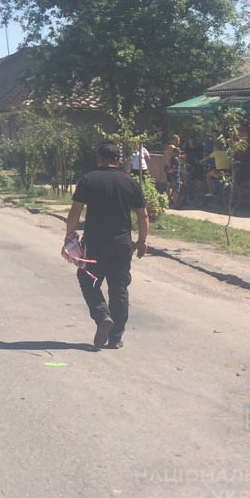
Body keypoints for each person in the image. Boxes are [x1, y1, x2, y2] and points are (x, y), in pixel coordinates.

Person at [63, 141, 148, 350]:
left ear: (98, 159)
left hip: (95, 244)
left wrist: (69, 236)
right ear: (118, 160)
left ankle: (102, 316)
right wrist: (142, 241)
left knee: (88, 280)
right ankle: (115, 337)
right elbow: (143, 215)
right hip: (122, 244)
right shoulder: (130, 182)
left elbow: (75, 212)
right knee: (119, 288)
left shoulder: (88, 180)